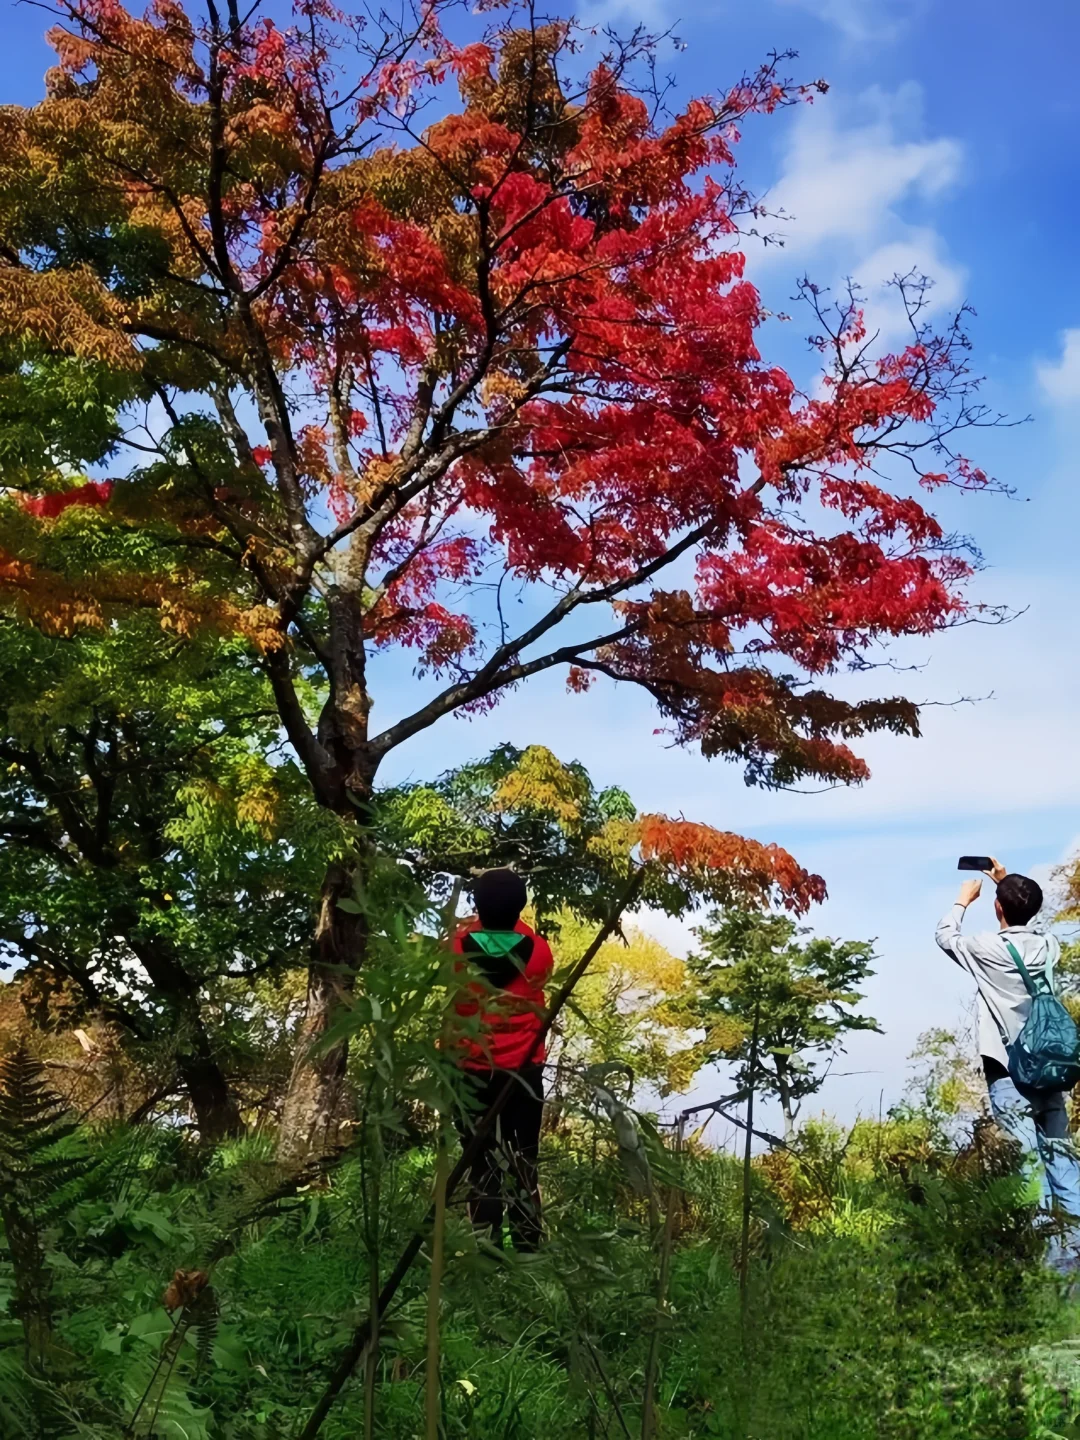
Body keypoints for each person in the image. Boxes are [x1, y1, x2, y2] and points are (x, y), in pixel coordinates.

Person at [936, 858, 1080, 1262]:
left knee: (1030, 1173)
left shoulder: (987, 950)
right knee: (1063, 1164)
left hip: (1009, 1072)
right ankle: (1076, 1262)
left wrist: (964, 900)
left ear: (998, 908)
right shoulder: (1050, 946)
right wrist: (1006, 884)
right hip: (1050, 1069)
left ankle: (1051, 1269)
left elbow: (945, 935)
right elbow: (1027, 917)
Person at [449, 867, 554, 1252]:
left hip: (470, 1071)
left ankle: (486, 1249)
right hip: (524, 1073)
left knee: (481, 1162)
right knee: (524, 1160)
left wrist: (470, 926)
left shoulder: (456, 951)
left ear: (478, 904)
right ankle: (527, 1246)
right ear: (521, 907)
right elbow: (525, 947)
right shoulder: (539, 952)